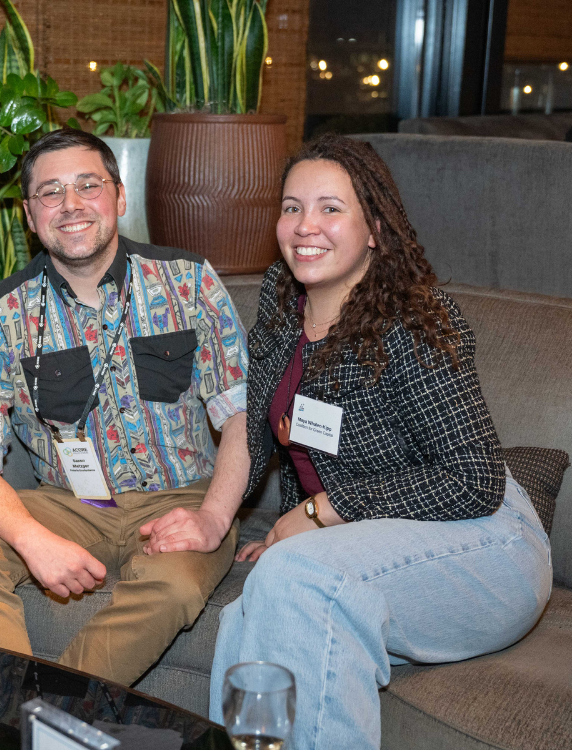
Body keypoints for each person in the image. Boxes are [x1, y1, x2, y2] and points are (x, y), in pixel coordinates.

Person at [208, 134, 552, 748]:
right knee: (251, 611)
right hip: (368, 536)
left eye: (330, 208)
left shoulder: (414, 321)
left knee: (296, 578)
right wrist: (221, 519)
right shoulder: (282, 296)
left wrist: (315, 516)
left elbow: (473, 480)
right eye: (292, 207)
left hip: (488, 540)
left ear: (374, 229)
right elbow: (259, 421)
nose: (305, 225)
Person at [0, 129, 251, 686]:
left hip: (182, 495)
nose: (70, 205)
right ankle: (13, 701)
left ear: (120, 198)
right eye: (50, 193)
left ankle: (48, 715)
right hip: (73, 504)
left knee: (174, 583)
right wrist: (33, 541)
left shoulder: (189, 280)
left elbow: (242, 416)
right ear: (30, 215)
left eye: (87, 186)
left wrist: (213, 517)